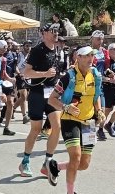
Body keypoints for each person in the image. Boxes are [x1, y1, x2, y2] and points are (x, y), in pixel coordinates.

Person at [45, 46, 105, 194]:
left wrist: (100, 111)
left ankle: (56, 166)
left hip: (89, 122)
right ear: (77, 58)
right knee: (76, 157)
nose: (90, 58)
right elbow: (52, 100)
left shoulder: (96, 75)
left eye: (92, 55)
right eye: (86, 55)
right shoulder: (68, 77)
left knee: (83, 164)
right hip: (70, 120)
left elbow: (95, 96)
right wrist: (66, 107)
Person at [19, 22, 62, 177]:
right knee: (36, 130)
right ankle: (25, 161)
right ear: (43, 34)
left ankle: (47, 163)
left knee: (56, 127)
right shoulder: (37, 50)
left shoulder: (58, 50)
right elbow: (26, 73)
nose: (56, 33)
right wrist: (44, 73)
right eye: (52, 31)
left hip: (52, 96)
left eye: (57, 30)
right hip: (37, 94)